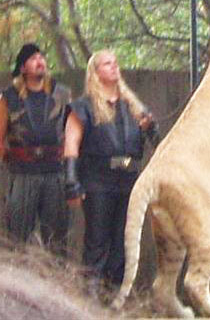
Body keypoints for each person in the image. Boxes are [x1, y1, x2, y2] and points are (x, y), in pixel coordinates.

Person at [63, 49, 158, 300]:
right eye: (107, 64)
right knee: (97, 241)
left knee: (122, 243)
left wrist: (152, 128)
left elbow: (156, 143)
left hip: (128, 179)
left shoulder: (133, 106)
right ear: (95, 72)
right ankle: (91, 302)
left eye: (116, 63)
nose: (114, 67)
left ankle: (112, 300)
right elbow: (71, 144)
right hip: (98, 179)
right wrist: (72, 181)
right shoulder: (83, 107)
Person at [0, 43, 71, 255]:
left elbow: (72, 133)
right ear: (23, 67)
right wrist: (14, 162)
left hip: (54, 173)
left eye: (42, 57)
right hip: (23, 174)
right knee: (18, 238)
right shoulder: (7, 98)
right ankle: (16, 284)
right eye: (33, 58)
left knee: (57, 241)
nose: (40, 61)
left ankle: (56, 285)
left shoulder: (61, 94)